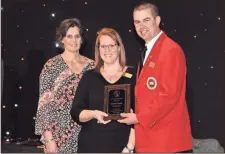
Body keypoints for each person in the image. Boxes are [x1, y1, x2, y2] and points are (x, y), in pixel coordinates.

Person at [118, 1, 193, 153]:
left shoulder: (170, 50)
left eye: (146, 20)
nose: (141, 26)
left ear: (157, 20)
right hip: (151, 141)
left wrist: (138, 118)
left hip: (167, 143)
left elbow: (169, 95)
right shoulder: (148, 51)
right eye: (137, 22)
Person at [70, 28, 135, 153]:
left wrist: (130, 147)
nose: (107, 50)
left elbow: (140, 116)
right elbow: (76, 112)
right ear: (98, 49)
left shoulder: (133, 76)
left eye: (111, 45)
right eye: (103, 46)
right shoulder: (89, 76)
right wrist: (94, 113)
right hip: (90, 146)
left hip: (123, 147)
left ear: (119, 47)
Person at [35, 18, 95, 153]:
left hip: (89, 134)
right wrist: (49, 139)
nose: (74, 41)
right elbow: (44, 106)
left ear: (82, 39)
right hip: (60, 137)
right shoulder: (51, 66)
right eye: (69, 36)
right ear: (62, 39)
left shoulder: (92, 66)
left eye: (77, 36)